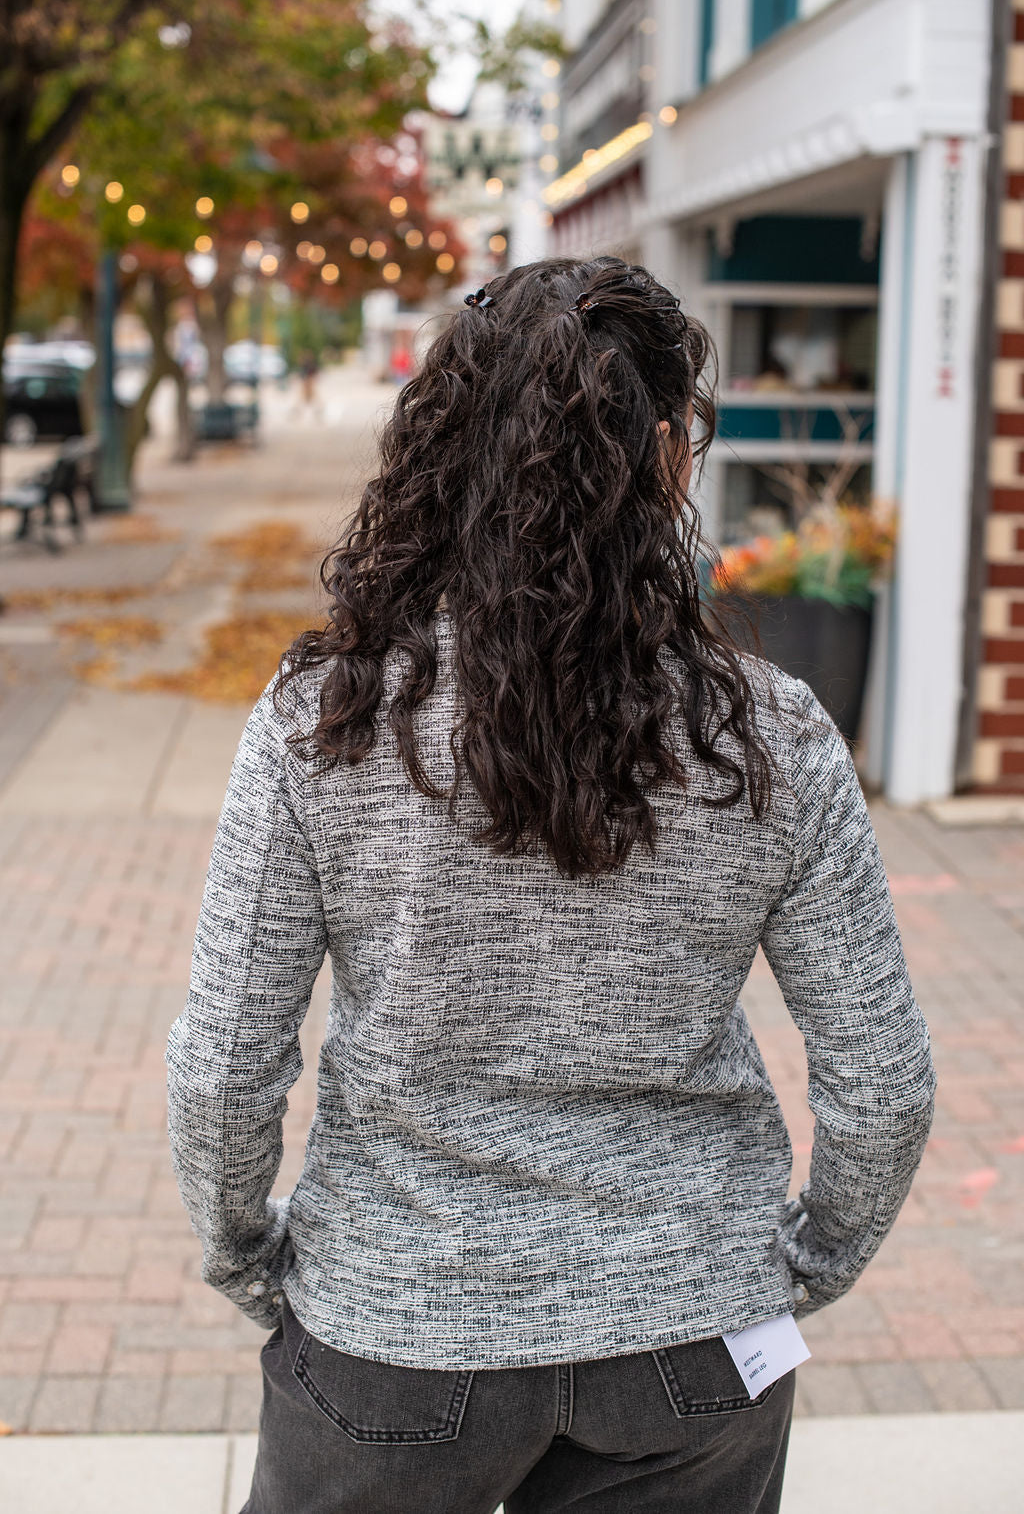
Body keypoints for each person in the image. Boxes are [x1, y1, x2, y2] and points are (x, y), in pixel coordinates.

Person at [166, 257, 935, 1514]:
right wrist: (788, 1268)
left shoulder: (329, 721)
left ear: (443, 447)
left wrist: (253, 1259)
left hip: (392, 1326)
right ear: (672, 461)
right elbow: (885, 1082)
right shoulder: (772, 734)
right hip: (690, 1345)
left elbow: (222, 1066)